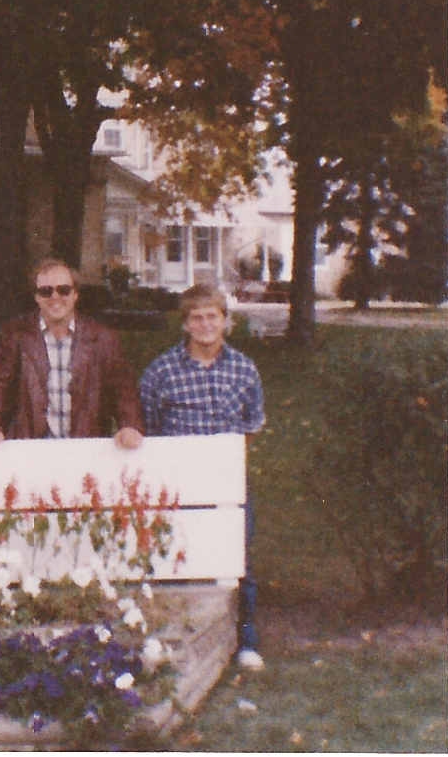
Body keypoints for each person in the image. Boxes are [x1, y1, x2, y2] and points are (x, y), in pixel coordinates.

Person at [139, 283, 266, 671]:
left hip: (226, 483)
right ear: (185, 324)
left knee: (237, 561)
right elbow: (149, 428)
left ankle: (245, 641)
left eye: (213, 316)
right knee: (172, 560)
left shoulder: (244, 369)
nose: (206, 324)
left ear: (226, 321)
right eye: (197, 317)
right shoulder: (161, 371)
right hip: (177, 484)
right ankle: (168, 638)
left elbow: (251, 423)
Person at [0, 258, 143, 449]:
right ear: (36, 297)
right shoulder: (14, 336)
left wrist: (130, 426)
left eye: (63, 290)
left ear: (75, 294)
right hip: (32, 449)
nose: (55, 297)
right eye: (46, 291)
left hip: (86, 449)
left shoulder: (103, 339)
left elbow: (122, 390)